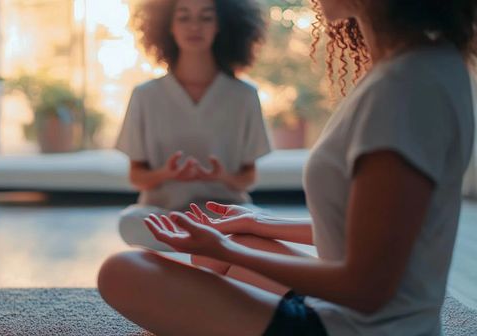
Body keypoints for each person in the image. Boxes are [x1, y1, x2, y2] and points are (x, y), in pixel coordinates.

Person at [98, 0, 477, 335]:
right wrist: (252, 224)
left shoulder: (403, 88)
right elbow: (373, 232)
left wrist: (227, 247)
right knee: (228, 246)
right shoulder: (425, 64)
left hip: (355, 325)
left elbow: (367, 286)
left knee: (120, 272)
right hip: (376, 316)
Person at [115, 0, 272, 251]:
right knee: (130, 221)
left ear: (220, 24)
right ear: (169, 26)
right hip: (165, 215)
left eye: (206, 17)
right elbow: (137, 176)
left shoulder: (244, 96)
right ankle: (215, 247)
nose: (194, 27)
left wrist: (222, 177)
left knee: (258, 219)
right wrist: (168, 174)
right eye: (184, 17)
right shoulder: (145, 95)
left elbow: (248, 178)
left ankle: (196, 244)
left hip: (224, 214)